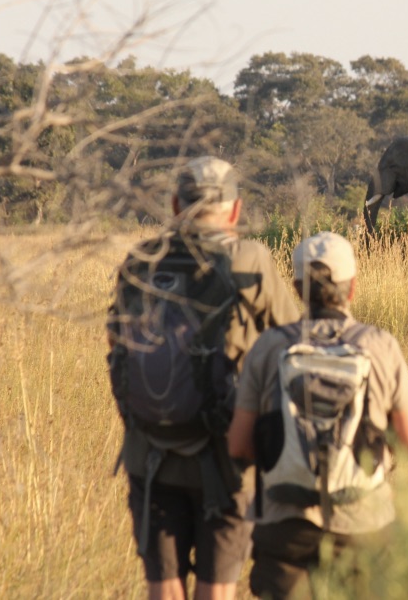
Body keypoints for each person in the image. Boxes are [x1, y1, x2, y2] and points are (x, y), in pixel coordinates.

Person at [107, 157, 301, 600]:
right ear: (235, 210)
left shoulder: (141, 260)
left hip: (149, 451)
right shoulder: (250, 259)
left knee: (163, 587)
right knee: (217, 589)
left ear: (176, 205)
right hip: (227, 456)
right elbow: (293, 344)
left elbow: (116, 349)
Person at [228, 231, 408, 599]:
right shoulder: (380, 345)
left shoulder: (269, 346)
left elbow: (238, 445)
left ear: (296, 288)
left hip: (285, 524)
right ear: (352, 288)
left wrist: (286, 460)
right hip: (363, 523)